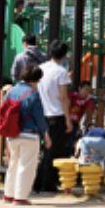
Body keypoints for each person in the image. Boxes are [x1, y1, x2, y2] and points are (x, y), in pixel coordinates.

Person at [0, 60, 45, 205]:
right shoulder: (33, 94)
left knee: (13, 163)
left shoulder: (10, 91)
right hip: (30, 134)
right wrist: (45, 134)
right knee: (27, 165)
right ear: (35, 80)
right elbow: (39, 118)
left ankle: (8, 194)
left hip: (12, 134)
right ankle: (20, 196)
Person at [35, 49, 72, 194]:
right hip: (57, 115)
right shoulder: (61, 72)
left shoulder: (41, 68)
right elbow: (63, 98)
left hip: (43, 114)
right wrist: (68, 119)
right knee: (54, 151)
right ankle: (48, 184)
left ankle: (37, 182)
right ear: (63, 55)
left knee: (44, 151)